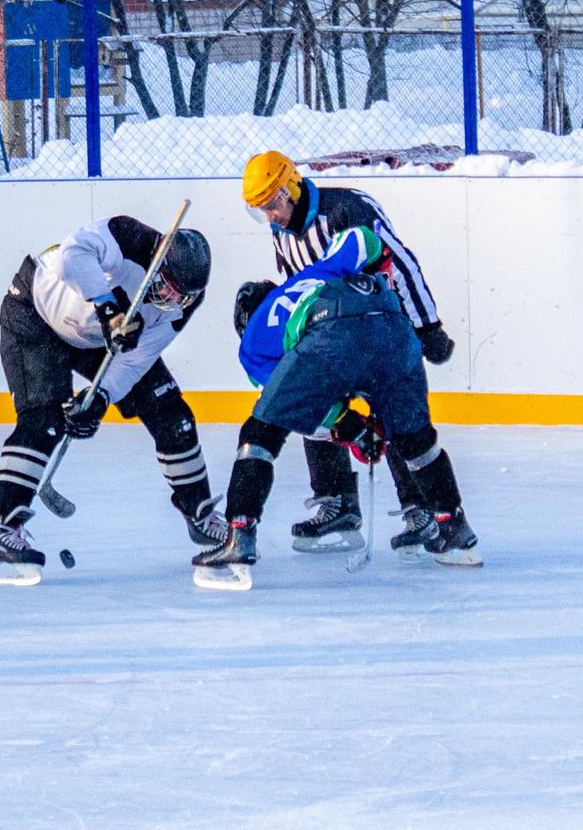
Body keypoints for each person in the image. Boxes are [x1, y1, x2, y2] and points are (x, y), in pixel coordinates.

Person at [196, 223, 478, 588]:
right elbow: (364, 237)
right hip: (393, 321)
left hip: (332, 329)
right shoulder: (316, 272)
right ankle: (454, 527)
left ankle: (240, 534)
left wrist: (353, 429)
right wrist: (382, 272)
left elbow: (296, 405)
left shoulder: (253, 340)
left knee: (260, 430)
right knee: (415, 437)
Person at [0, 216, 217, 584]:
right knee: (44, 420)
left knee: (171, 413)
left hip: (97, 340)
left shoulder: (184, 301)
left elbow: (139, 356)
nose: (172, 300)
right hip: (36, 314)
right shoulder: (130, 238)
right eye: (169, 287)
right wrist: (107, 307)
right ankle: (1, 528)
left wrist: (101, 396)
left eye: (181, 296)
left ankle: (200, 515)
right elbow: (71, 255)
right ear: (160, 260)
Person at [242, 150, 451, 551]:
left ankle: (419, 509)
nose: (269, 215)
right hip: (327, 335)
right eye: (260, 209)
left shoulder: (349, 208)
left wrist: (428, 325)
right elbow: (295, 285)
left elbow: (401, 263)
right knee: (304, 396)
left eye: (271, 203)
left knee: (392, 412)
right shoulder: (281, 228)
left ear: (291, 187)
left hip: (379, 328)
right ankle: (336, 503)